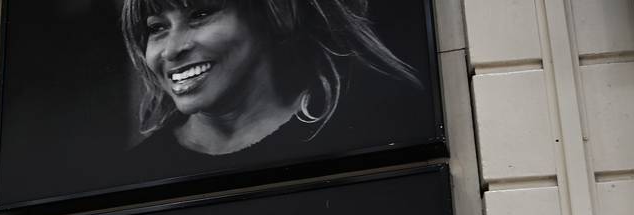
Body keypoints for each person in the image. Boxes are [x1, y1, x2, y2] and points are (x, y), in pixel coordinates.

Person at [120, 0, 420, 158]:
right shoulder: (136, 171)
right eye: (157, 28)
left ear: (278, 12)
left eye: (200, 14)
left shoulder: (381, 125)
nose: (171, 50)